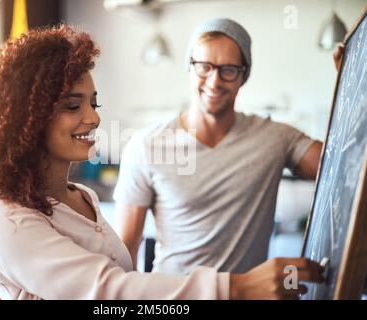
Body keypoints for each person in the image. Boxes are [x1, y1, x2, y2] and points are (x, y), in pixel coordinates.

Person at [0, 24, 324, 300]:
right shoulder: (5, 219)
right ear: (26, 117)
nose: (93, 119)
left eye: (93, 104)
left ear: (244, 76)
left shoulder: (82, 199)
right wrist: (237, 288)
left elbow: (120, 277)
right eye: (72, 105)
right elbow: (108, 290)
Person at [113, 18, 343, 275]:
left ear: (243, 75)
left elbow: (343, 167)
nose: (214, 81)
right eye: (204, 67)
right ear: (189, 68)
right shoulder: (146, 145)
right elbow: (125, 251)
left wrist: (350, 84)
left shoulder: (275, 138)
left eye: (229, 69)